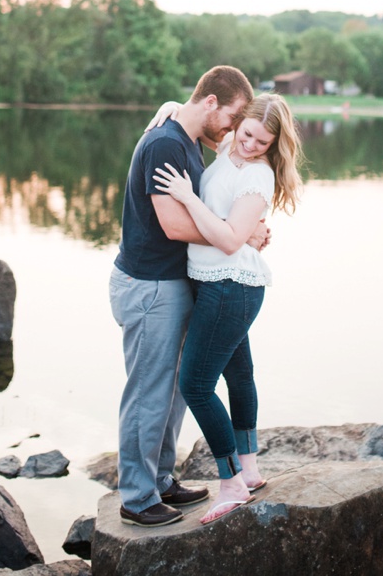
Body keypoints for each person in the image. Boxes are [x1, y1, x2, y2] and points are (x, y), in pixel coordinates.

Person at [110, 65, 257, 528]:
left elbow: (235, 160)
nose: (233, 129)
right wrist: (237, 236)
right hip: (150, 285)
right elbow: (174, 225)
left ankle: (160, 479)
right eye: (232, 117)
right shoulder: (165, 144)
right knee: (149, 392)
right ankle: (136, 498)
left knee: (173, 390)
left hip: (173, 282)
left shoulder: (189, 137)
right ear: (211, 102)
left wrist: (246, 227)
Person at [153, 92, 304, 523]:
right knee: (239, 375)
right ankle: (250, 468)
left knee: (196, 386)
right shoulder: (226, 149)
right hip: (216, 283)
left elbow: (229, 239)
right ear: (239, 124)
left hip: (230, 286)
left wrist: (186, 194)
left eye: (263, 142)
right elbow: (193, 112)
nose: (251, 145)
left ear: (275, 145)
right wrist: (169, 108)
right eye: (248, 133)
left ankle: (232, 482)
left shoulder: (257, 178)